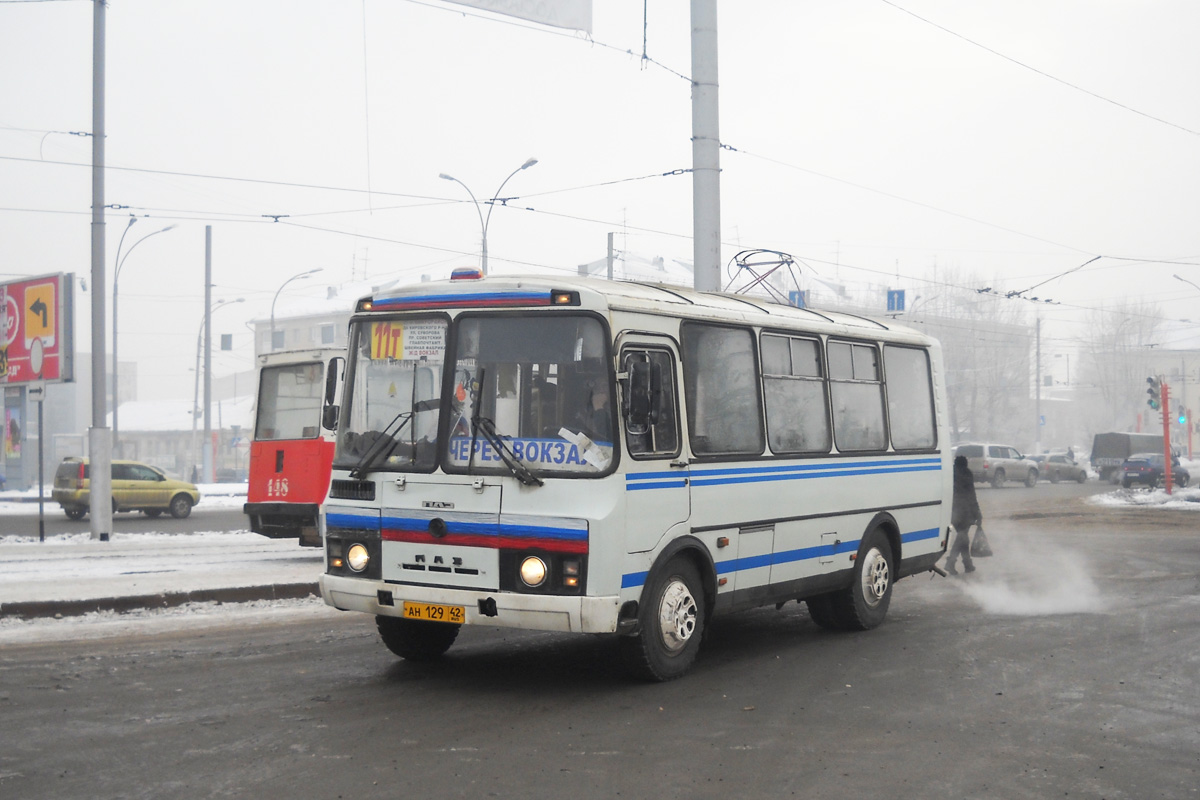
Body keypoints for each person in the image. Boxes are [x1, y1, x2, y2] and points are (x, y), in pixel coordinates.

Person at [945, 455, 981, 575]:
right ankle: (951, 562)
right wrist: (977, 513)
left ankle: (967, 564)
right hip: (964, 511)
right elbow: (971, 495)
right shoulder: (966, 474)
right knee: (962, 537)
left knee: (963, 537)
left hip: (952, 510)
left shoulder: (950, 473)